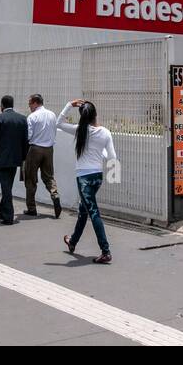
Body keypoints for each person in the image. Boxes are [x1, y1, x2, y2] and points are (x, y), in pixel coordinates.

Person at [57, 99, 117, 264]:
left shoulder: (80, 130)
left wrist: (69, 105)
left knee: (93, 212)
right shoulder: (105, 132)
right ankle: (73, 241)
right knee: (84, 210)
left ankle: (105, 251)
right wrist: (101, 154)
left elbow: (58, 123)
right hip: (97, 177)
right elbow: (112, 157)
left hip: (83, 178)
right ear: (95, 114)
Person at [0, 95, 29, 225]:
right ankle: (1, 209)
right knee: (8, 185)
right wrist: (24, 157)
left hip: (2, 158)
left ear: (2, 105)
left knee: (5, 186)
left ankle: (8, 216)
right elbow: (25, 140)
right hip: (16, 158)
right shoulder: (22, 119)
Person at [23, 93, 62, 219]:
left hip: (35, 149)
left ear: (35, 103)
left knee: (30, 178)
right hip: (49, 149)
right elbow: (54, 131)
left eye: (30, 103)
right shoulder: (52, 114)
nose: (29, 106)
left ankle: (31, 208)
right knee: (49, 176)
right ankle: (55, 195)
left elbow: (28, 136)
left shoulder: (32, 116)